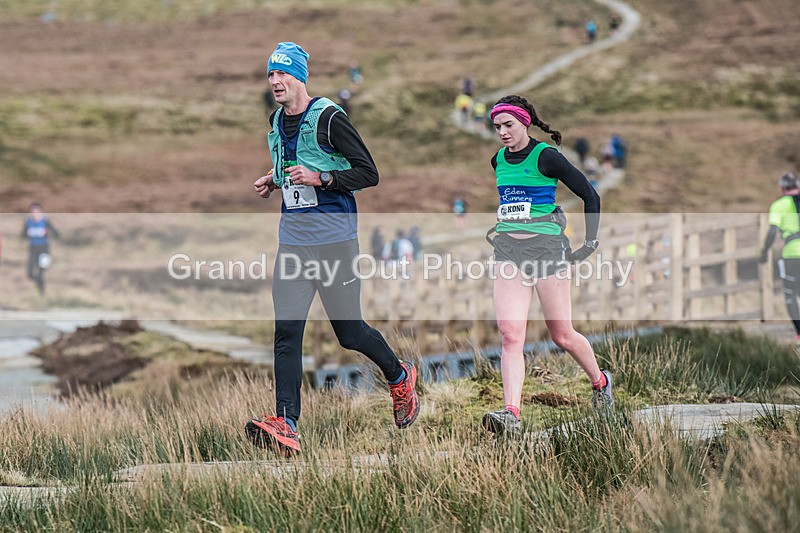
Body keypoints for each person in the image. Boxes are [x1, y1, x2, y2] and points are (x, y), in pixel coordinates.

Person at [246, 42, 419, 455]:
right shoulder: (275, 120)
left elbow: (367, 173)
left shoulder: (328, 117)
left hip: (335, 242)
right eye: (271, 74)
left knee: (349, 332)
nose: (275, 82)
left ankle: (399, 377)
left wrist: (321, 179)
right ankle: (286, 422)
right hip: (293, 242)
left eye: (282, 74)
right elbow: (292, 164)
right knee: (286, 332)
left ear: (301, 76)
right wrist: (274, 180)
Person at [482, 95, 613, 437]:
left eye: (508, 125)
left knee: (562, 335)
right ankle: (512, 414)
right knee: (511, 335)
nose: (503, 133)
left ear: (525, 122)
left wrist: (591, 242)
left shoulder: (547, 157)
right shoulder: (498, 160)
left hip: (547, 253)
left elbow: (590, 195)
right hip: (508, 252)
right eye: (497, 127)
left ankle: (600, 384)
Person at [759, 172, 800, 340]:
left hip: (792, 254)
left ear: (782, 188)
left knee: (790, 293)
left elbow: (773, 231)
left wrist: (764, 252)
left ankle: (799, 331)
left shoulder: (778, 205)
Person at [21, 202, 59, 295]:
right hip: (33, 250)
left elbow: (57, 234)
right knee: (30, 274)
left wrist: (47, 233)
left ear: (41, 211)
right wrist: (27, 234)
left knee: (41, 273)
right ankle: (39, 286)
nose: (35, 213)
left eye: (37, 211)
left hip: (44, 250)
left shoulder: (45, 221)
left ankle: (42, 294)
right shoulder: (28, 222)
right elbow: (22, 236)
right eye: (33, 211)